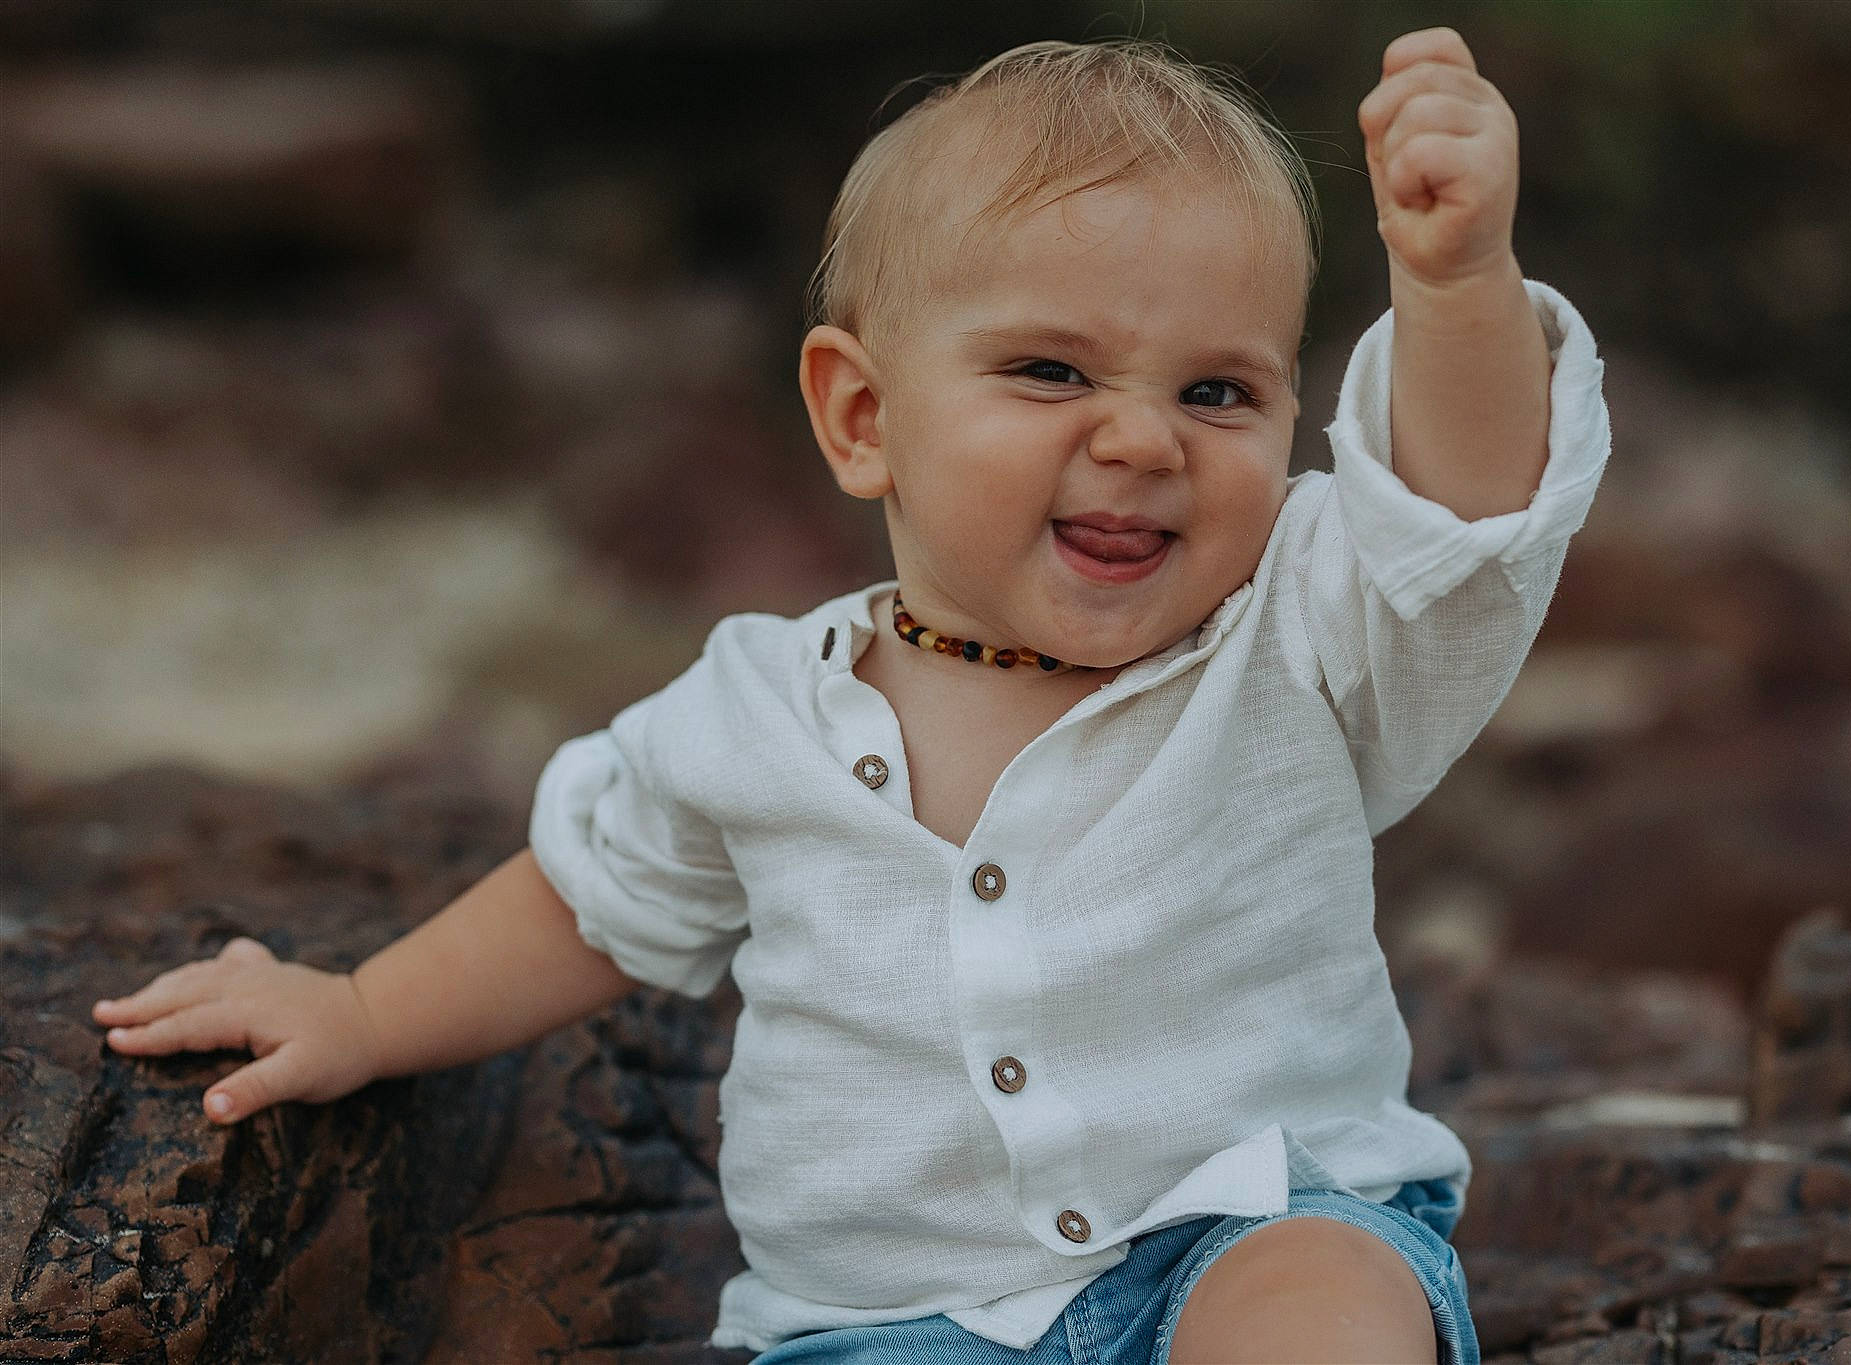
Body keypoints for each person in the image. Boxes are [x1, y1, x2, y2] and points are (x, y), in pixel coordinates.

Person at [93, 28, 1608, 1364]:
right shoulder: (754, 709)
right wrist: (359, 1010)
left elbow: (1461, 526)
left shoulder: (1296, 629)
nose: (1146, 438)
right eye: (1051, 370)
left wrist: (1455, 282)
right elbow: (587, 894)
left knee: (1319, 1314)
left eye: (1220, 392)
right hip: (892, 1317)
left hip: (1253, 1218)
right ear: (862, 413)